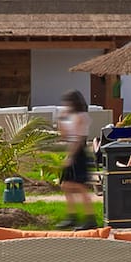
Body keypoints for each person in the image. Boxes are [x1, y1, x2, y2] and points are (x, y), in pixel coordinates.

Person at [56, 90, 98, 226]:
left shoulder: (81, 117)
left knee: (80, 187)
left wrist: (71, 156)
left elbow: (79, 140)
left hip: (78, 153)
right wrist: (61, 119)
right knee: (65, 185)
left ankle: (90, 218)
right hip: (72, 151)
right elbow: (64, 136)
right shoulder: (73, 117)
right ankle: (72, 216)